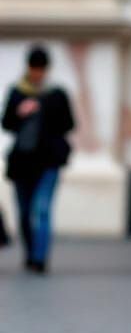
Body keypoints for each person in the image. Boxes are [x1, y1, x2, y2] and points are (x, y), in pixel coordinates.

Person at [2, 45, 75, 272]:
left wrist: (46, 109)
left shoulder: (57, 94)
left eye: (41, 68)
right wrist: (20, 111)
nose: (38, 73)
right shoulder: (17, 93)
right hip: (22, 162)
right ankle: (30, 252)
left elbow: (69, 124)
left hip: (48, 161)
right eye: (35, 68)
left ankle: (40, 258)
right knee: (24, 212)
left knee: (42, 208)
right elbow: (6, 123)